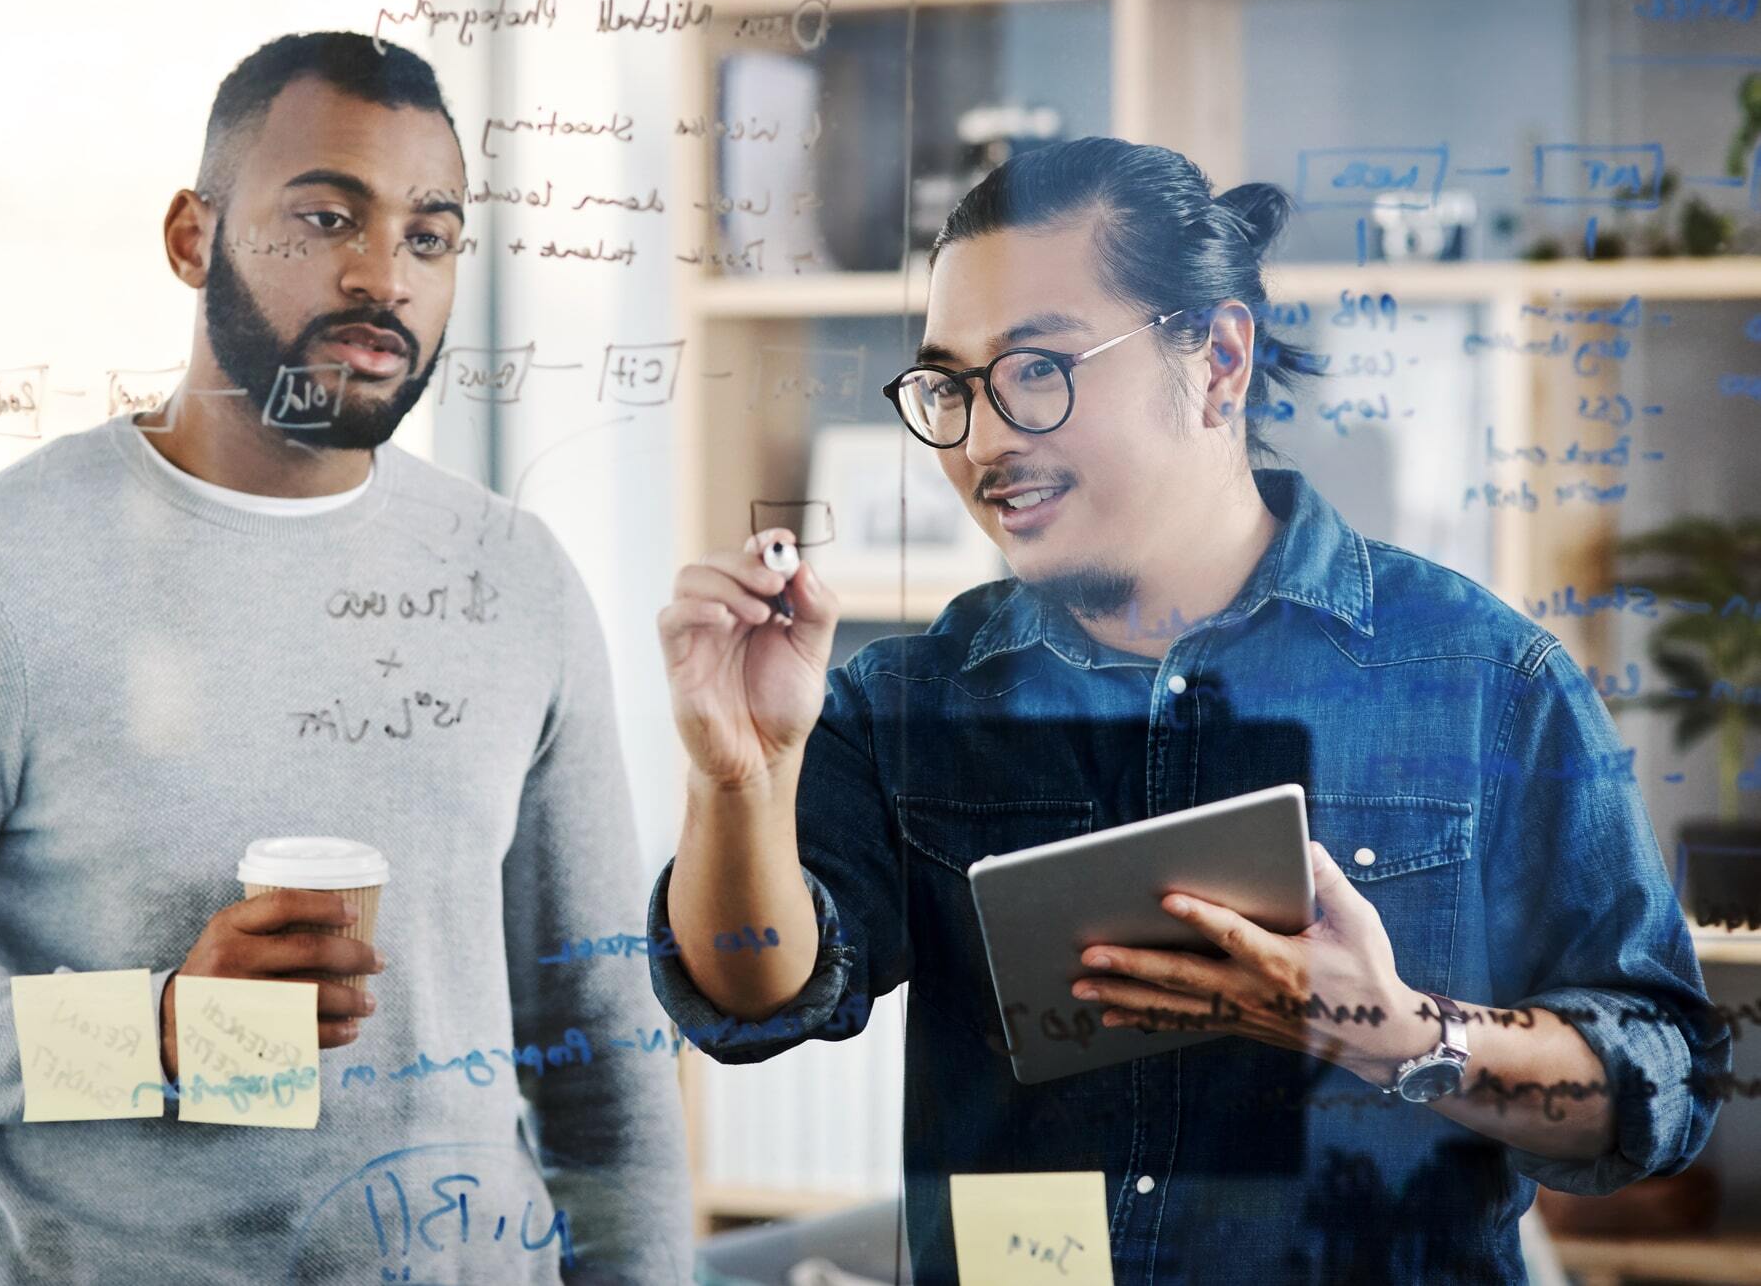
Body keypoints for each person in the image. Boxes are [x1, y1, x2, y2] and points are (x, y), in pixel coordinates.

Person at [650, 137, 1727, 1283]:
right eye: (949, 387)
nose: (982, 440)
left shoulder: (1483, 677)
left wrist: (1401, 1032)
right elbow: (753, 1001)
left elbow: (1659, 1079)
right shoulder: (909, 700)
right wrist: (740, 778)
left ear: (1216, 358)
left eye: (1036, 369)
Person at [0, 31, 691, 1285]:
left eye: (429, 235)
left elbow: (603, 1042)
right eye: (324, 217)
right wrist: (156, 1034)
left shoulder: (520, 574)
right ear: (192, 237)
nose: (381, 275)